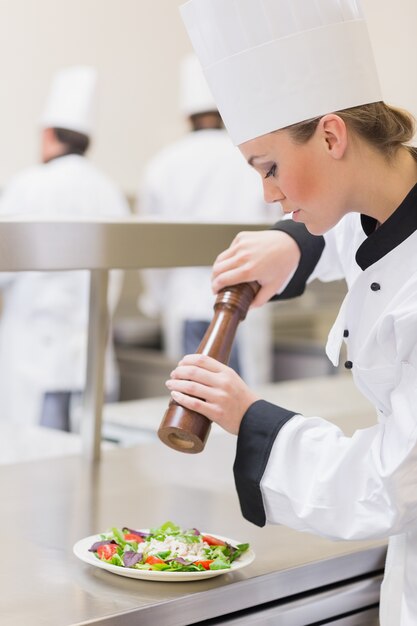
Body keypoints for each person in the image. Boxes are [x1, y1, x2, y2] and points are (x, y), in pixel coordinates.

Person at [166, 1, 417, 624]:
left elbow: (394, 483)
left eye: (271, 168)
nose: (269, 194)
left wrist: (248, 418)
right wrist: (292, 241)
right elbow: (358, 230)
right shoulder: (389, 196)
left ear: (333, 135)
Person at [0, 65, 130, 430]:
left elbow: (4, 267)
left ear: (48, 135)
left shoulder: (29, 185)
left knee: (34, 460)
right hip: (88, 356)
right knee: (82, 458)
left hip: (33, 354)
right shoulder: (108, 190)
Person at [137, 54, 279, 386]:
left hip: (186, 302)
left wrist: (158, 299)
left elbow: (149, 246)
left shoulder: (163, 164)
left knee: (192, 407)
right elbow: (277, 226)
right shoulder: (252, 157)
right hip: (246, 301)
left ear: (188, 114)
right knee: (242, 408)